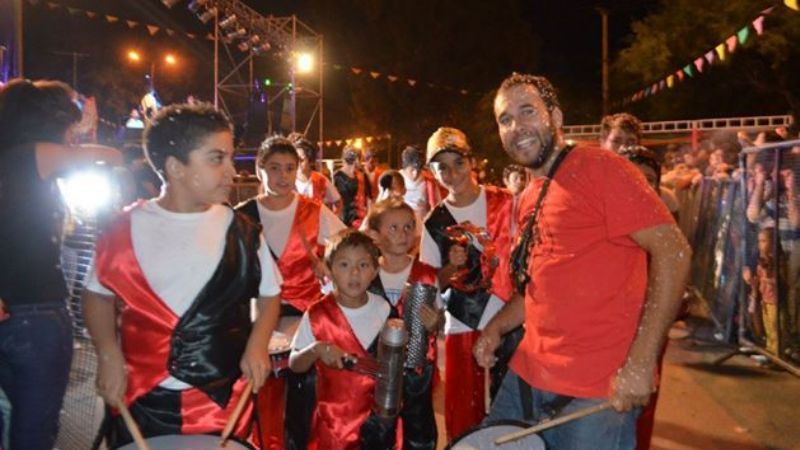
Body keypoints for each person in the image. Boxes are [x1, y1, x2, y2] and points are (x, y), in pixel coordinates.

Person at [476, 73, 691, 450]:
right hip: (527, 375)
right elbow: (541, 284)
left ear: (556, 117)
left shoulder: (602, 168)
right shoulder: (529, 194)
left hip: (595, 393)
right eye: (505, 119)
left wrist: (642, 362)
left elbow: (674, 252)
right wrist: (496, 327)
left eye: (528, 111)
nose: (516, 126)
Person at [81, 103, 283, 447]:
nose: (232, 171)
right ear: (175, 168)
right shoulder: (122, 229)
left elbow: (270, 294)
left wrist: (258, 345)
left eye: (230, 158)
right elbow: (97, 295)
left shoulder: (243, 232)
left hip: (223, 397)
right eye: (217, 159)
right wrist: (107, 353)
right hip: (141, 396)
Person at [0, 79, 121, 450]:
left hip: (14, 311)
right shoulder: (33, 155)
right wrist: (86, 133)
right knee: (34, 431)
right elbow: (110, 157)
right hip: (36, 316)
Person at [236, 136, 345, 450]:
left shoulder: (314, 211)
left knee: (303, 400)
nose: (283, 176)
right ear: (259, 170)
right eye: (274, 168)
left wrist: (328, 263)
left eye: (289, 168)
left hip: (304, 318)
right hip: (258, 320)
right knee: (263, 399)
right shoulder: (241, 215)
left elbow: (348, 246)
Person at [419, 127, 516, 439]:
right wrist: (451, 267)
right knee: (463, 415)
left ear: (472, 161)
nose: (452, 173)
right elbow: (429, 281)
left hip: (509, 318)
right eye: (442, 167)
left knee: (512, 411)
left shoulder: (507, 202)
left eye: (458, 162)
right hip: (462, 323)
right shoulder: (434, 222)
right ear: (432, 173)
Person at [289, 230, 395, 450]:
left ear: (375, 271)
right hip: (333, 425)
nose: (354, 273)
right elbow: (294, 364)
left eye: (363, 265)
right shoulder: (317, 314)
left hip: (378, 423)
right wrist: (316, 350)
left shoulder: (384, 309)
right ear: (329, 269)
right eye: (344, 265)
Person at [365, 198, 444, 450]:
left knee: (419, 430)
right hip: (375, 369)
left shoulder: (427, 274)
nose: (403, 234)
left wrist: (435, 322)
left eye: (409, 227)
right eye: (394, 228)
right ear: (375, 236)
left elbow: (439, 318)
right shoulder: (365, 273)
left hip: (415, 370)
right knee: (377, 429)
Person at [292, 134, 342, 212]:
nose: (297, 163)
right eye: (294, 159)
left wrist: (332, 218)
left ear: (310, 160)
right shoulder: (288, 180)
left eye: (301, 160)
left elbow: (338, 202)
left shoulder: (320, 180)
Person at [400, 145, 442, 224]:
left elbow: (438, 209)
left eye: (418, 170)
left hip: (423, 227)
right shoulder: (395, 180)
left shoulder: (430, 182)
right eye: (412, 170)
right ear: (405, 167)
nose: (415, 174)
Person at [334, 146, 372, 228]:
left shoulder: (362, 175)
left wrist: (368, 219)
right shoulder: (337, 176)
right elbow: (334, 200)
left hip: (360, 220)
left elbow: (369, 199)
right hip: (343, 219)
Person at [502, 164, 527, 235]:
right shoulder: (498, 201)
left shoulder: (527, 200)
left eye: (522, 178)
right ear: (506, 181)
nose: (519, 181)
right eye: (515, 178)